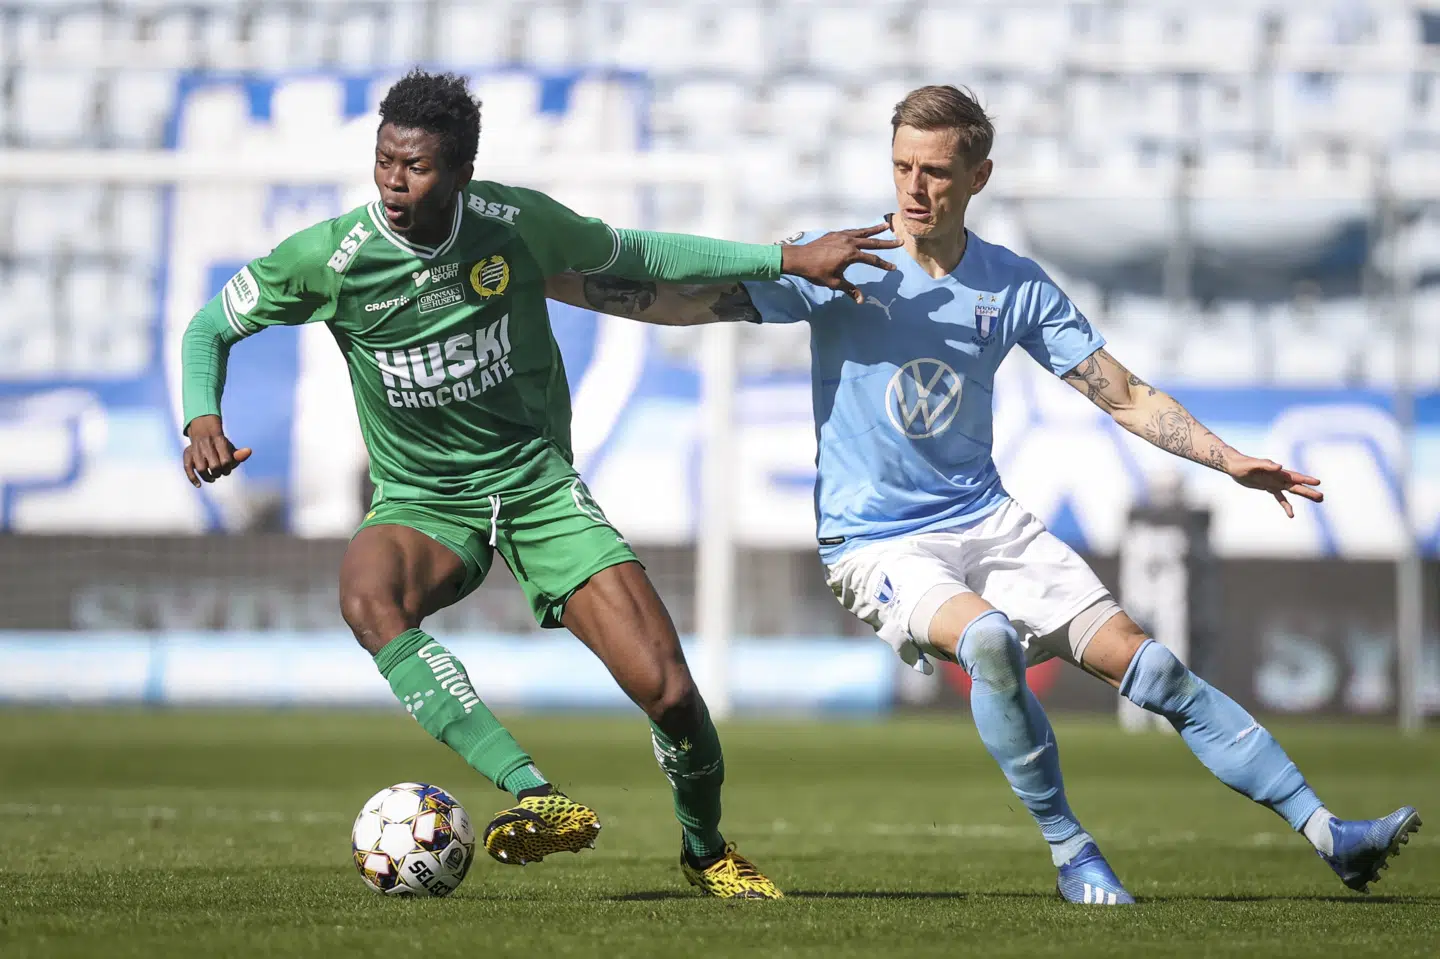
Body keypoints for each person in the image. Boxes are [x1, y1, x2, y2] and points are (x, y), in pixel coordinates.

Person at [548, 84, 1422, 904]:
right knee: (992, 640)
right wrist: (559, 283)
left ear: (978, 176)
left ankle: (1328, 829)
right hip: (875, 542)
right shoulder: (840, 266)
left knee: (1149, 664)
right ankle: (1071, 849)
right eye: (901, 166)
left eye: (934, 170)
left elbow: (1119, 390)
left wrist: (1229, 460)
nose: (914, 187)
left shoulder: (1012, 285)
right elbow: (683, 304)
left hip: (985, 520)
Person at [179, 69, 898, 900]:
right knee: (367, 596)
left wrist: (786, 256)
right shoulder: (332, 258)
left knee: (669, 692)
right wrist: (203, 416)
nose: (393, 183)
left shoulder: (517, 225)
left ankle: (706, 850)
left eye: (414, 168)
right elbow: (209, 327)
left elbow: (640, 254)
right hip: (423, 500)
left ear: (460, 174)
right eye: (383, 162)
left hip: (535, 487)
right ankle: (536, 793)